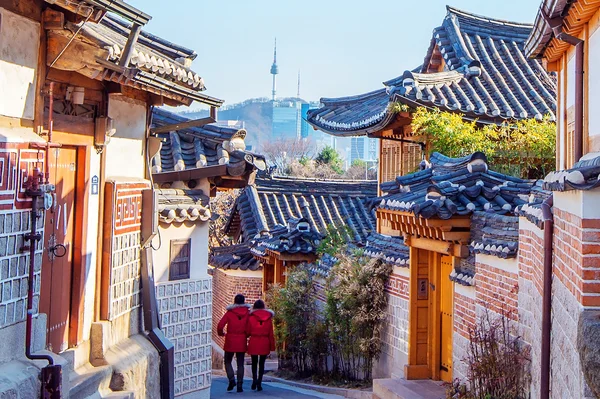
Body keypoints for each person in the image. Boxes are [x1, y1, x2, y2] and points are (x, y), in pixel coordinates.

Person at [217, 294, 251, 392]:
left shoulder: (229, 313)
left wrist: (221, 333)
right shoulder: (248, 313)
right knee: (240, 363)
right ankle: (240, 385)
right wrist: (247, 335)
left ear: (234, 301)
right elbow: (249, 327)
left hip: (230, 340)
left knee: (227, 361)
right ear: (244, 301)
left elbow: (220, 325)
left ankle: (231, 379)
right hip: (242, 339)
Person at [246, 299, 275, 391]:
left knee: (254, 362)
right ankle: (259, 382)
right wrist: (272, 346)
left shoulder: (251, 317)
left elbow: (247, 331)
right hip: (264, 341)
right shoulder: (269, 318)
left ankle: (254, 379)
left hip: (254, 340)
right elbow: (271, 333)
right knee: (262, 363)